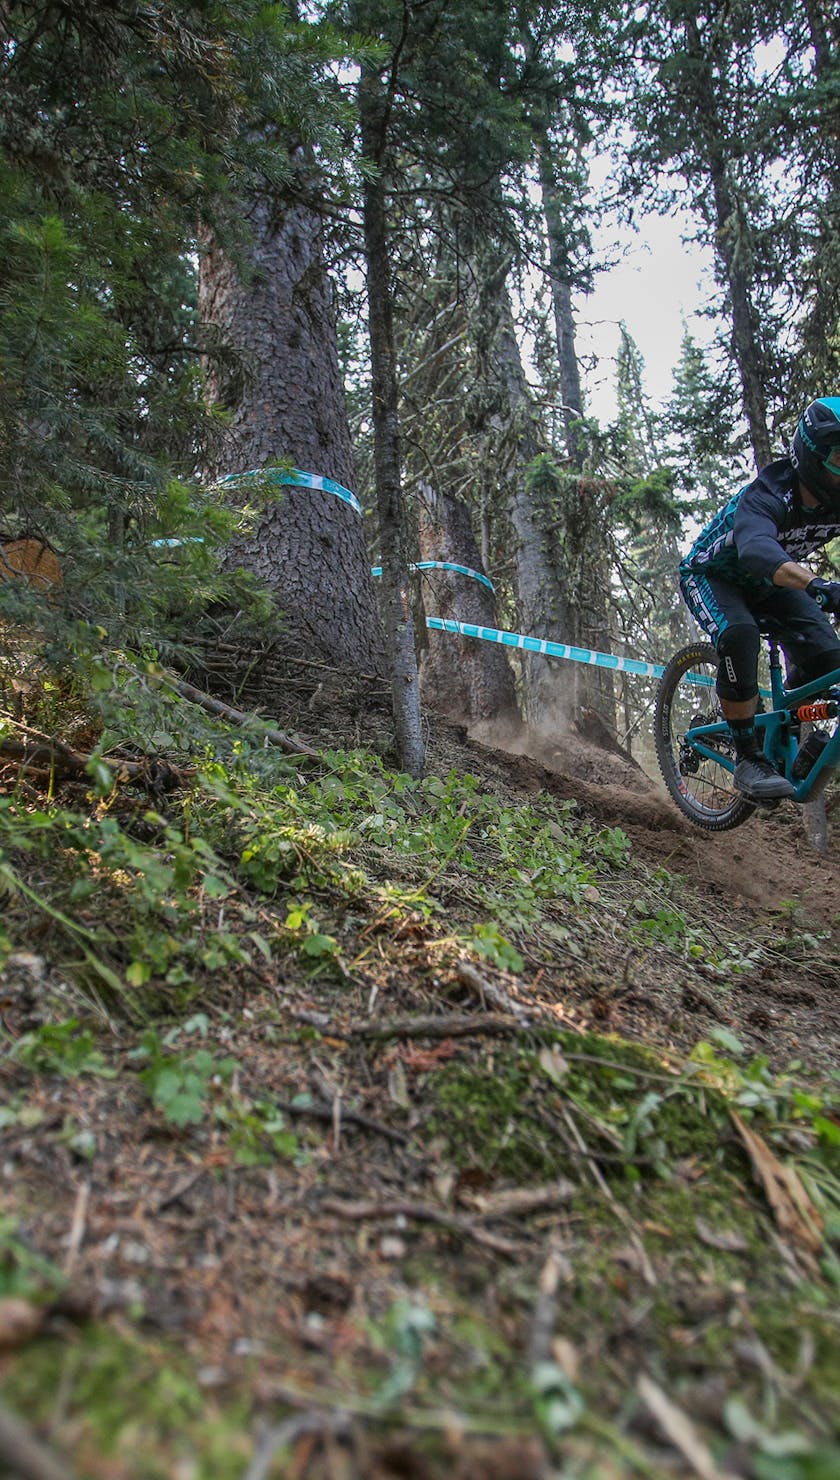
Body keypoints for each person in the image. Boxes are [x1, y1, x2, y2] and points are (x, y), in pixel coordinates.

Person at [679, 397, 840, 800]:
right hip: (714, 574)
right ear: (813, 455)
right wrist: (817, 584)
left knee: (829, 660)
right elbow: (756, 550)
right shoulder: (770, 492)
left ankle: (792, 726)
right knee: (740, 635)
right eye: (839, 458)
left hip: (770, 585)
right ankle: (749, 757)